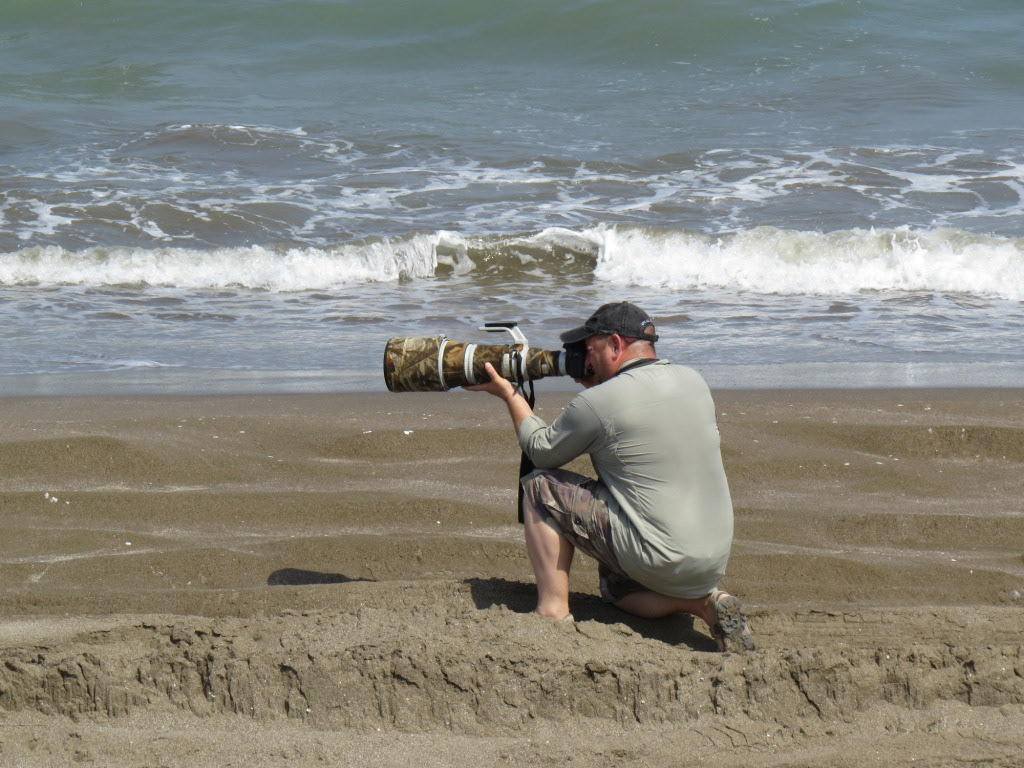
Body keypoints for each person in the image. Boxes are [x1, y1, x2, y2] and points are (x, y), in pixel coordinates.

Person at [465, 301, 754, 652]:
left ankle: (552, 610)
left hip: (656, 555)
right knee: (615, 590)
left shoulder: (599, 403)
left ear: (615, 345)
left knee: (540, 485)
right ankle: (707, 603)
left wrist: (509, 394)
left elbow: (540, 450)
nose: (585, 362)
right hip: (710, 560)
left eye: (590, 350)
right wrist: (599, 385)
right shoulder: (694, 381)